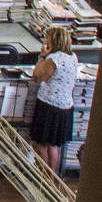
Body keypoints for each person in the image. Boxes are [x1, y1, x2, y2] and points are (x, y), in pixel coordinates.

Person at [27, 24, 79, 173]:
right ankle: (50, 179)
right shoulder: (72, 57)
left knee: (40, 143)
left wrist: (42, 56)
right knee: (53, 144)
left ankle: (42, 177)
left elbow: (37, 76)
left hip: (49, 106)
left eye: (46, 39)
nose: (44, 42)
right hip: (65, 108)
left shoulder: (53, 59)